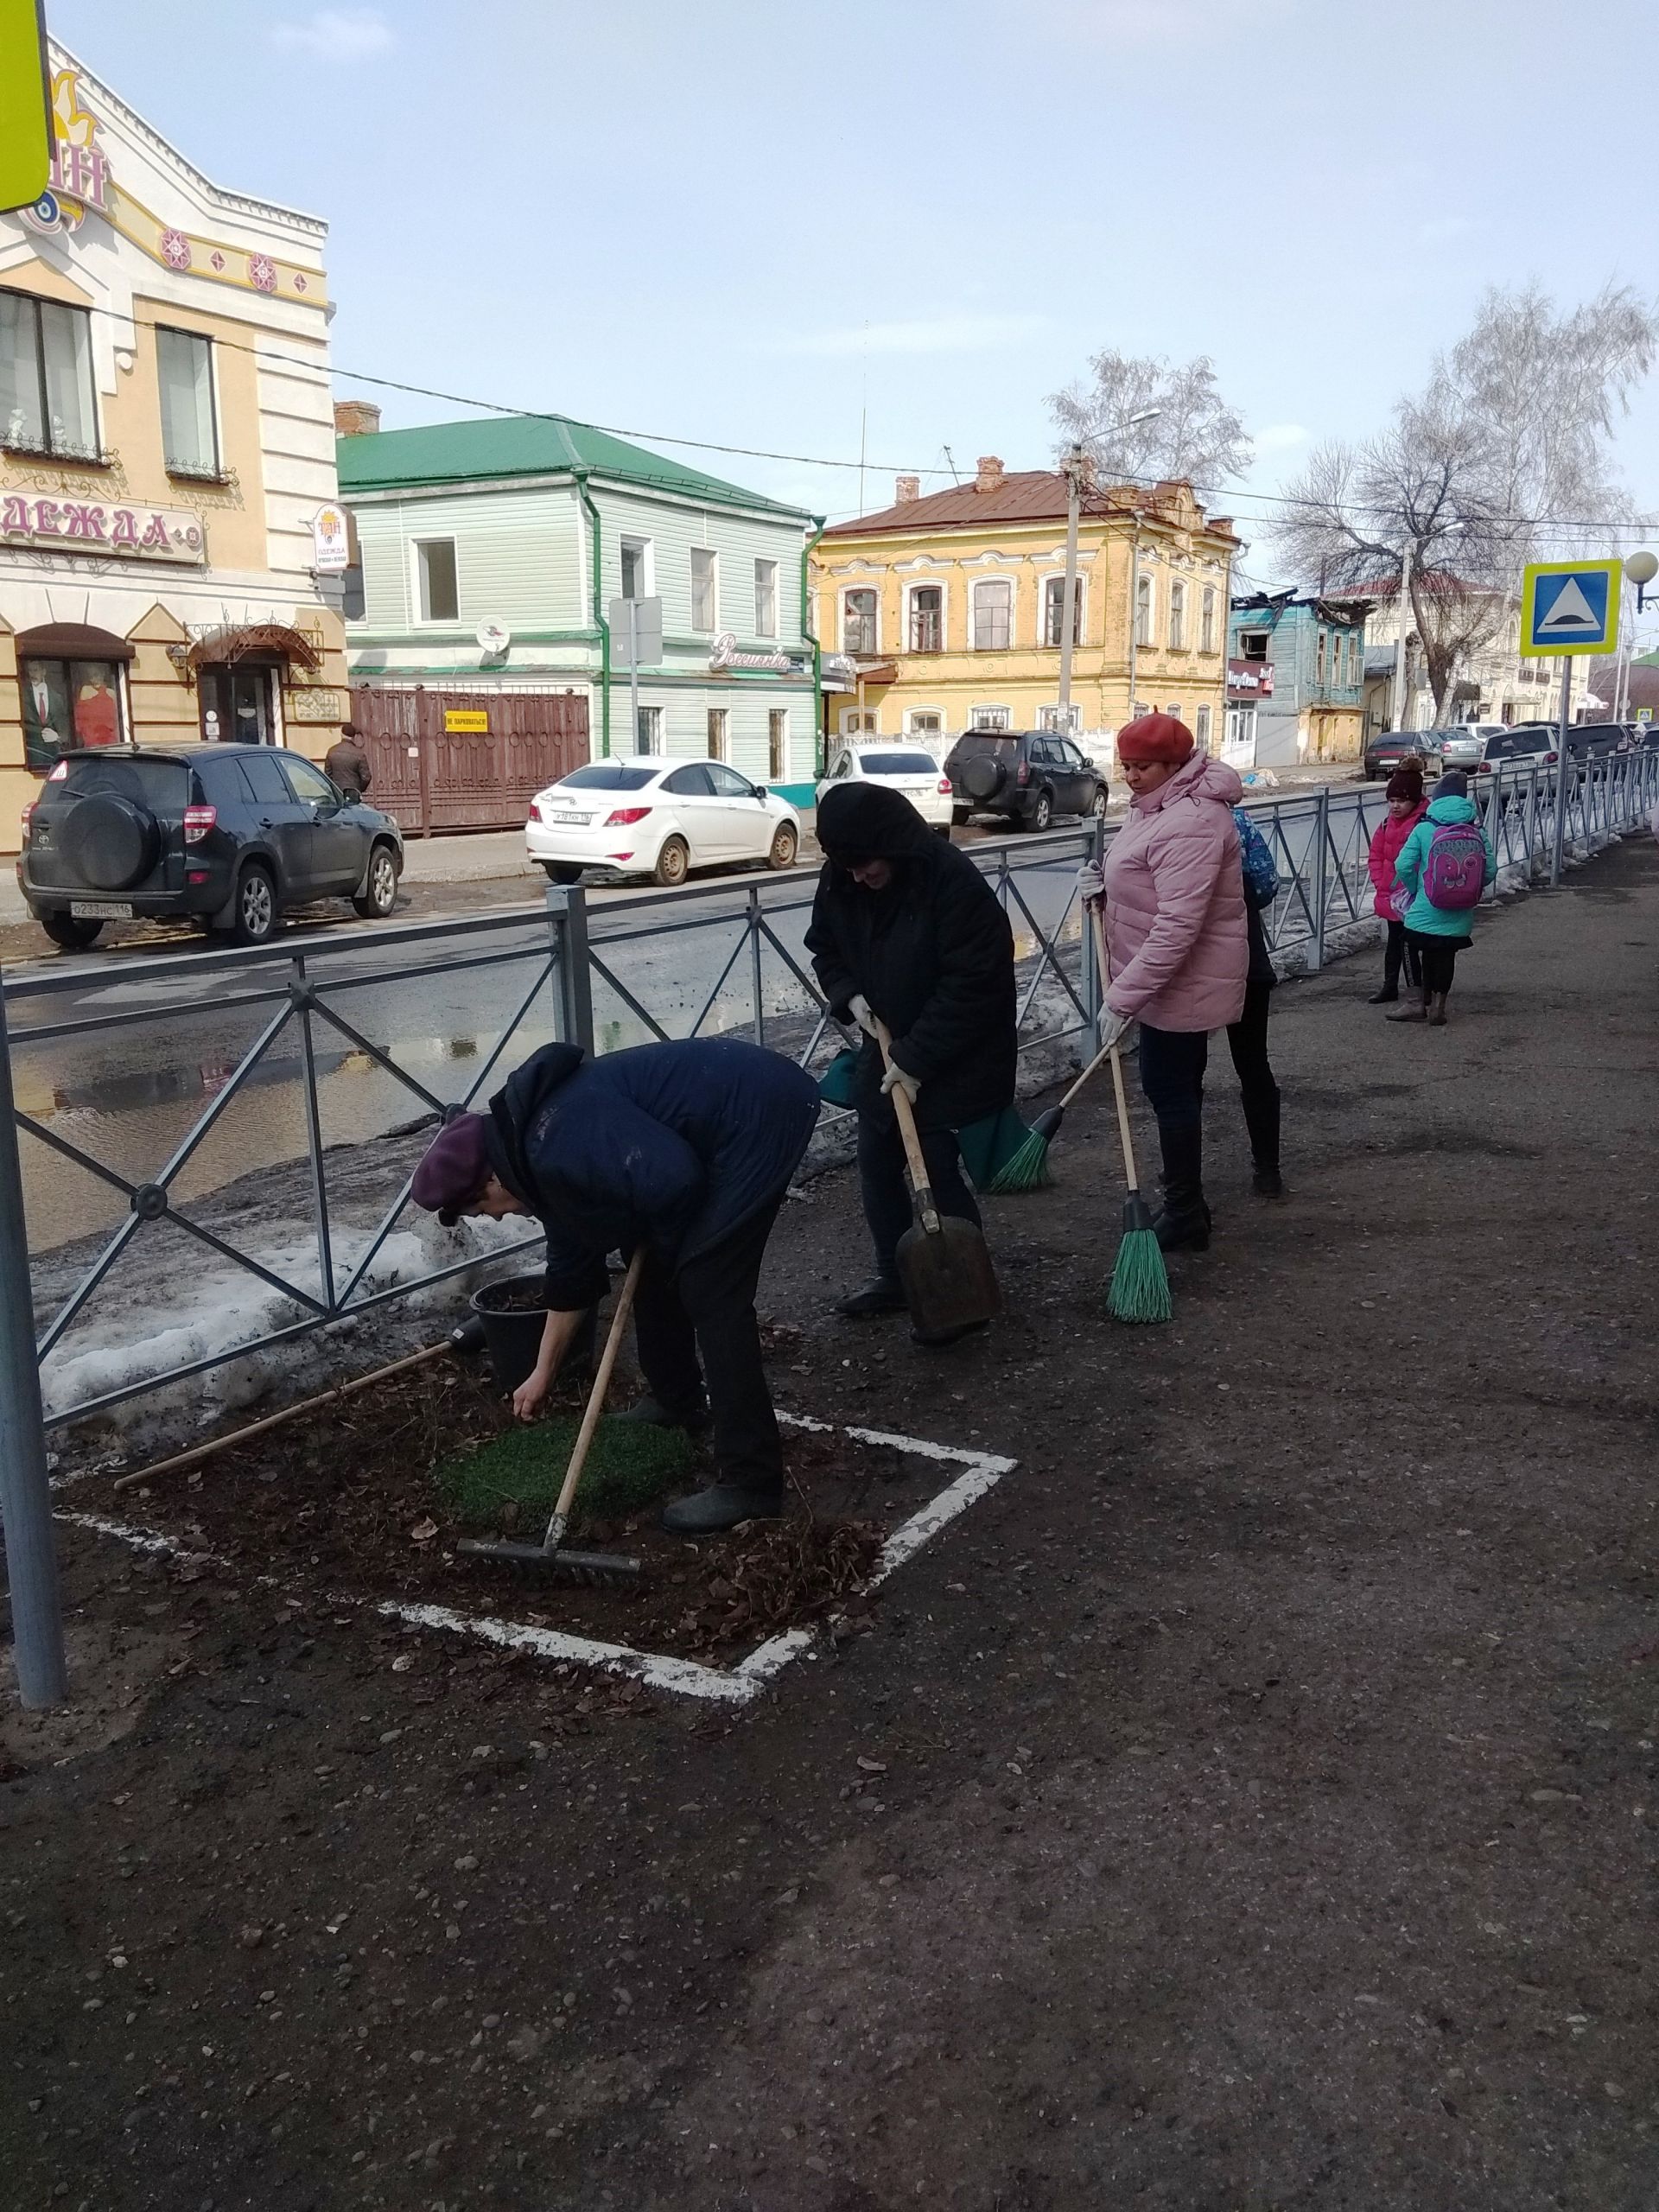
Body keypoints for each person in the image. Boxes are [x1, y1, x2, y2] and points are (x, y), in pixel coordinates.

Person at [410, 1036, 820, 1534]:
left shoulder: (557, 1142)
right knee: (650, 1260)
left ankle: (750, 1482)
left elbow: (677, 1183)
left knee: (710, 1286)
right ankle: (675, 1399)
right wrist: (544, 1372)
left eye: (481, 1210)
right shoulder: (530, 1154)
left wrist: (665, 1245)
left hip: (756, 1113)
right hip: (706, 1130)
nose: (493, 1220)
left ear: (490, 1181)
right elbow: (571, 1268)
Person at [805, 781, 1015, 1335]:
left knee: (935, 1163)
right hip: (885, 1042)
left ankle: (961, 1288)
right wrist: (849, 994)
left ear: (894, 847)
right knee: (877, 1158)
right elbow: (824, 945)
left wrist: (918, 1059)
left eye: (866, 865)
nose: (857, 877)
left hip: (959, 1049)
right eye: (846, 867)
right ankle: (894, 1275)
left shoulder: (951, 884)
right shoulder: (844, 875)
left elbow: (975, 985)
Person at [1081, 713, 1247, 1252]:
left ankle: (1183, 1213)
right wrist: (1102, 886)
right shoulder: (1157, 806)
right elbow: (1144, 885)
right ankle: (1188, 1201)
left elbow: (1178, 924)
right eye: (1125, 766)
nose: (1131, 776)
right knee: (1173, 1090)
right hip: (1159, 980)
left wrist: (1122, 997)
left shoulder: (1192, 821)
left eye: (1143, 766)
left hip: (1182, 981)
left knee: (1171, 1093)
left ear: (1176, 765)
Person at [1387, 768, 1497, 1027]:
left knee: (1408, 944)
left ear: (1437, 799)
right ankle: (1438, 1006)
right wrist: (1469, 890)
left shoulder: (1425, 828)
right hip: (1460, 911)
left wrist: (1416, 890)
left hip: (1426, 907)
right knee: (1446, 954)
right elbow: (1490, 870)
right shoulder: (1477, 831)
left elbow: (1403, 864)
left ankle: (1415, 1003)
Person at [1227, 804, 1283, 1198]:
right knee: (1253, 1064)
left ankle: (1181, 1175)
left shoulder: (1164, 818)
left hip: (1190, 967)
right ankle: (1268, 1170)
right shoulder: (1237, 819)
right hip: (1247, 958)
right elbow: (1267, 881)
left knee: (1183, 1072)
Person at [1366, 765, 1428, 1003]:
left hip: (1416, 896)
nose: (1395, 806)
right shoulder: (1385, 825)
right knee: (1395, 944)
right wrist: (1380, 881)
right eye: (1392, 800)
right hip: (1393, 897)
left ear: (1414, 800)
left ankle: (1420, 990)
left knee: (1412, 945)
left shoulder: (1423, 823)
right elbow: (1376, 855)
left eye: (1401, 800)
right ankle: (1390, 985)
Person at [325, 721, 373, 797]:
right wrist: (359, 789)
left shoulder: (332, 751)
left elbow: (327, 774)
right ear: (354, 737)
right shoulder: (359, 754)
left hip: (337, 794)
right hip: (353, 794)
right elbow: (366, 777)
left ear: (341, 734)